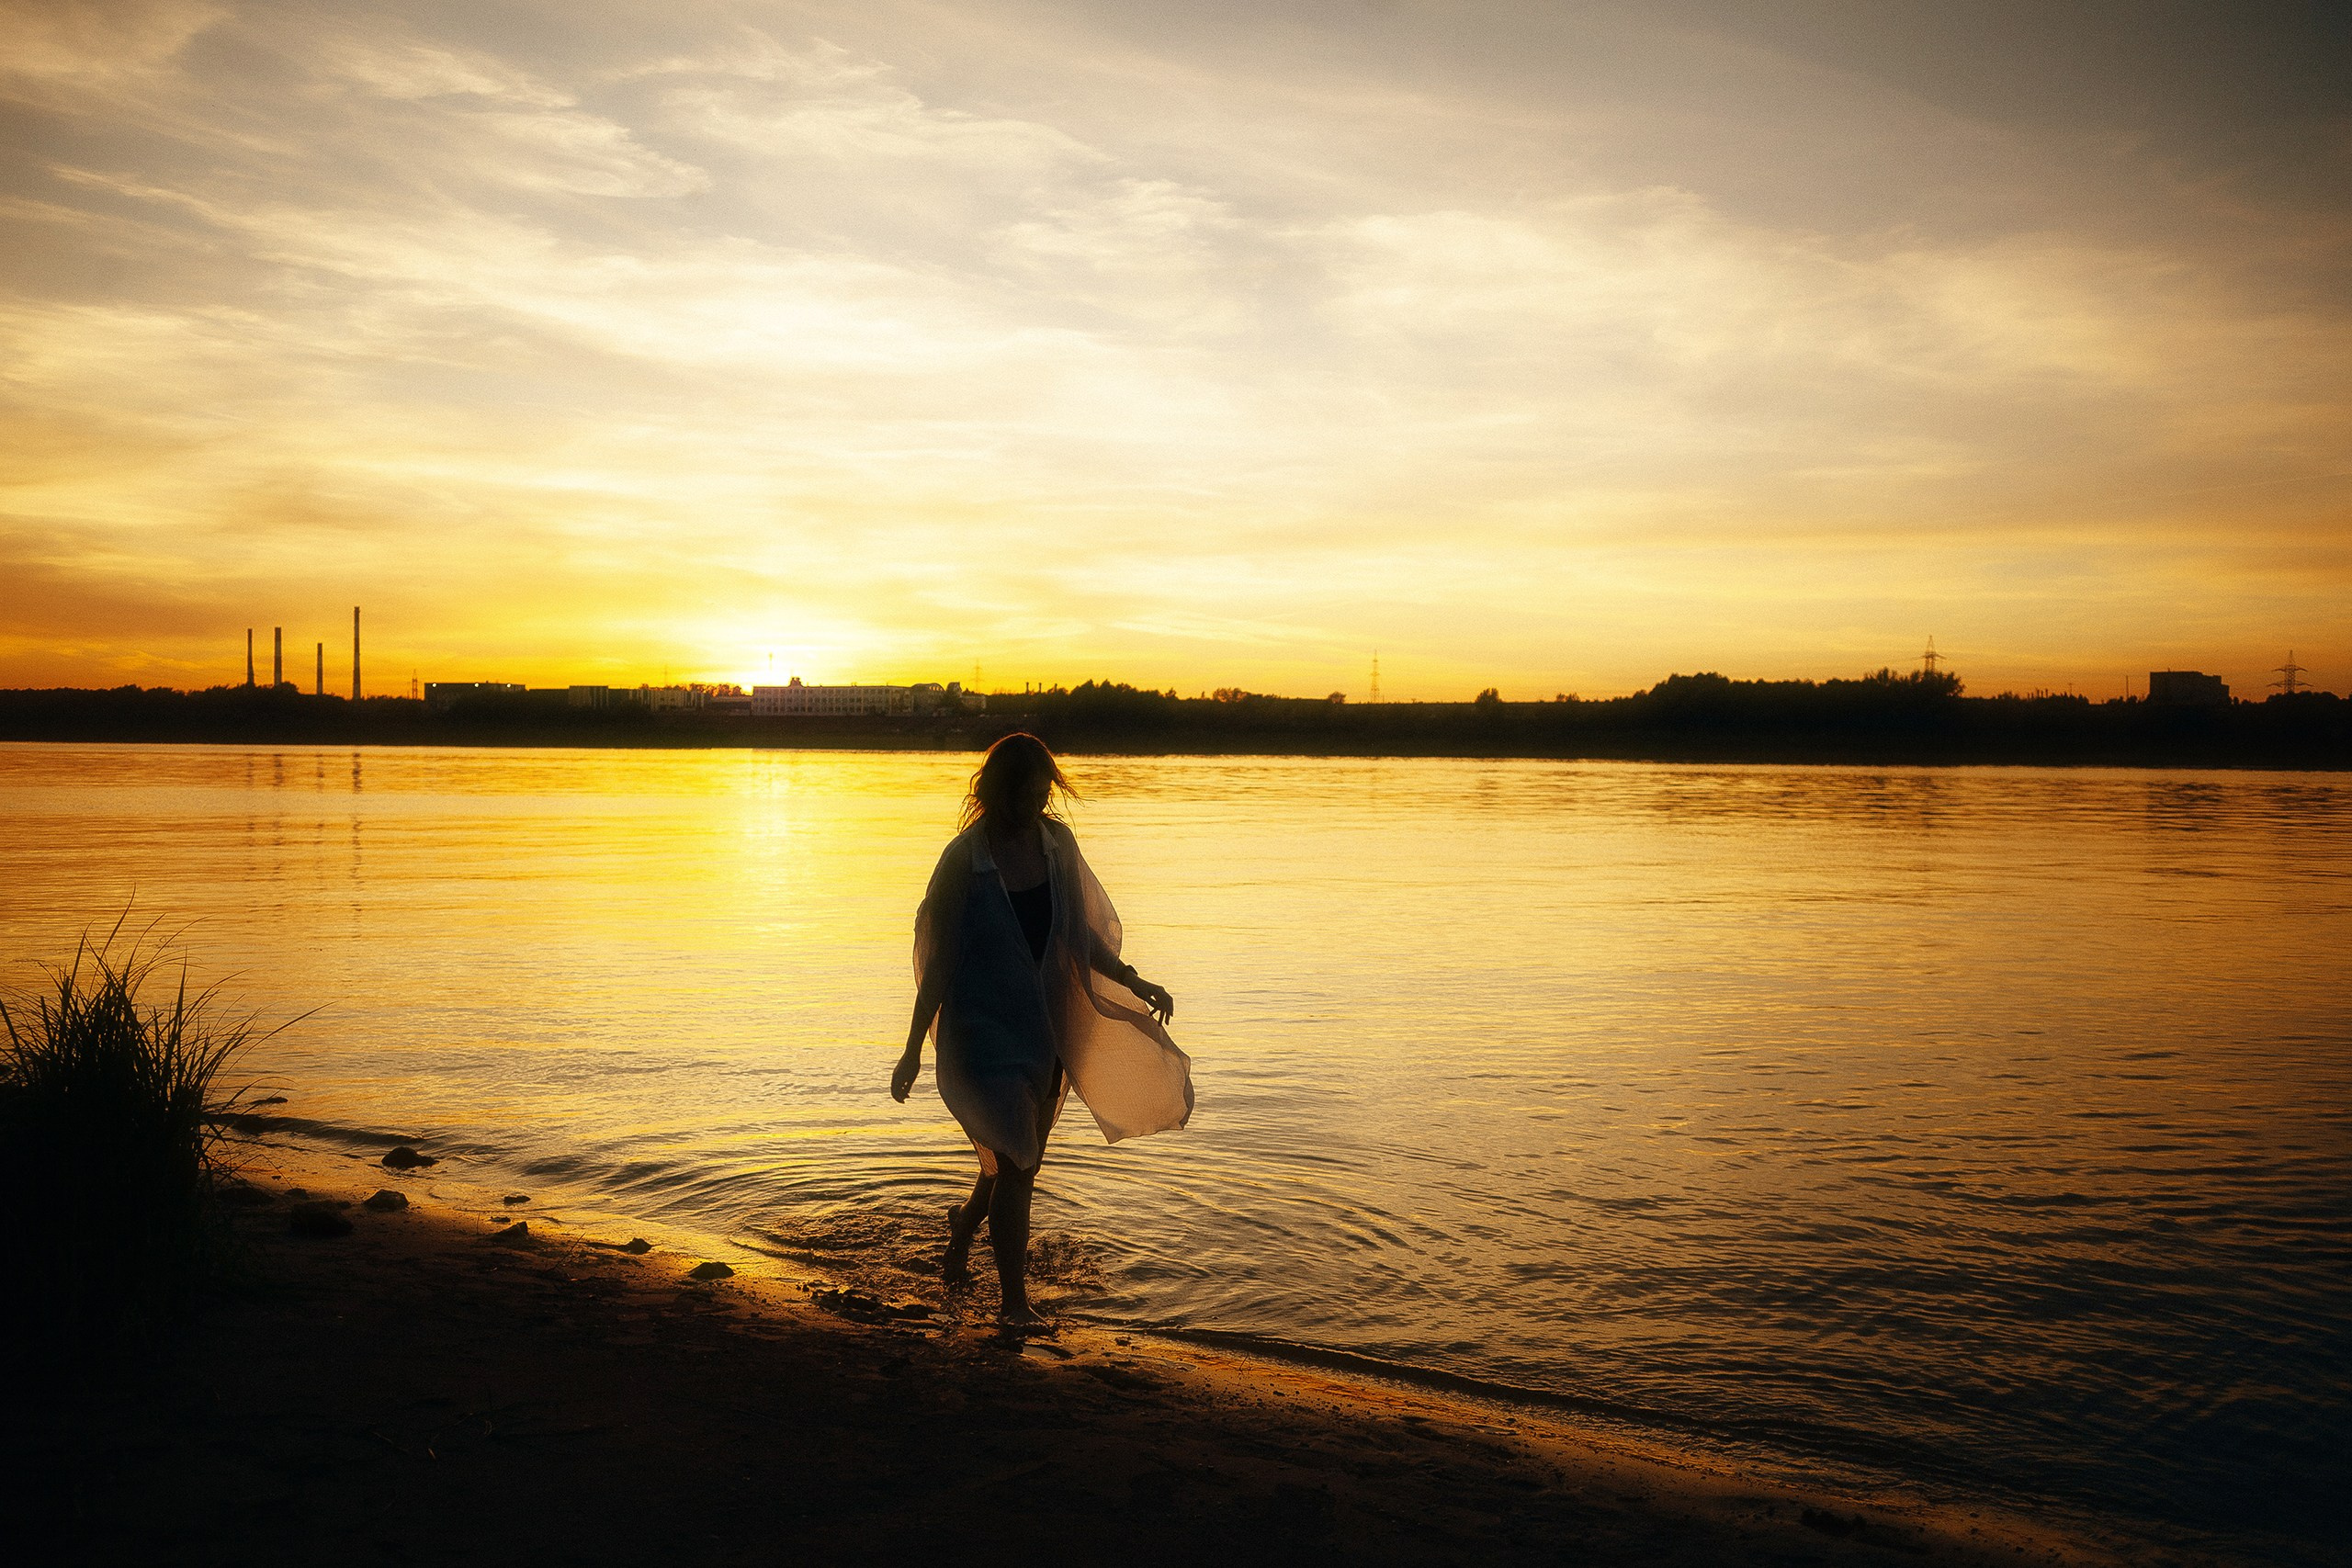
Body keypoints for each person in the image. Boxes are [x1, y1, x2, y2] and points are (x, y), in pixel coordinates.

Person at [892, 734, 1193, 1329]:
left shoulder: (1057, 846)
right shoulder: (965, 860)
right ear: (988, 791)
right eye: (1016, 794)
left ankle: (962, 1232)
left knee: (1014, 1161)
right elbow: (941, 962)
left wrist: (1136, 981)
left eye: (1039, 794)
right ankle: (1013, 1304)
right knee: (1019, 1163)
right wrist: (909, 1051)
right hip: (981, 1037)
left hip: (1048, 1035)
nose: (1028, 805)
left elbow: (1080, 936)